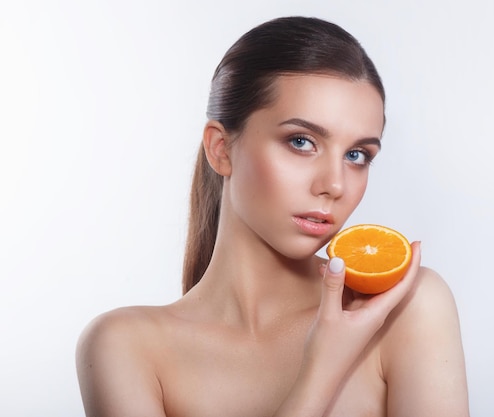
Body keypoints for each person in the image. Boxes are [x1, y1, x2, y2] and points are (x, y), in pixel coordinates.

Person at [76, 16, 469, 416]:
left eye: (357, 155)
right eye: (301, 142)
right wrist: (323, 368)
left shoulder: (406, 309)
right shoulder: (125, 347)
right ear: (221, 149)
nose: (334, 184)